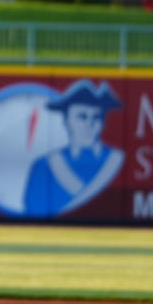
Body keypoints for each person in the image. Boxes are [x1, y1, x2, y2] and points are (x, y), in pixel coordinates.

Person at [22, 80, 124, 217]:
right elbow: (32, 211)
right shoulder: (43, 165)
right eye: (82, 117)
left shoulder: (118, 160)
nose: (90, 123)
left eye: (97, 116)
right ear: (67, 121)